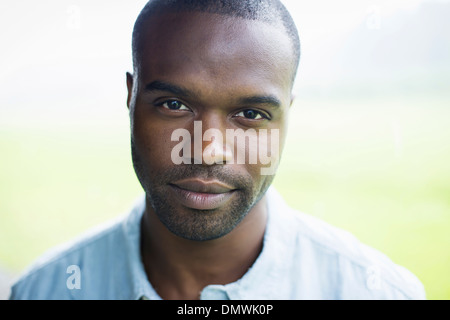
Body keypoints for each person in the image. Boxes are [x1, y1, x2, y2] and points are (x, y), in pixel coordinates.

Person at [10, 0, 425, 300]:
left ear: (286, 119)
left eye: (250, 113)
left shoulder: (378, 292)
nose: (209, 151)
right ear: (131, 98)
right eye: (175, 105)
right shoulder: (43, 291)